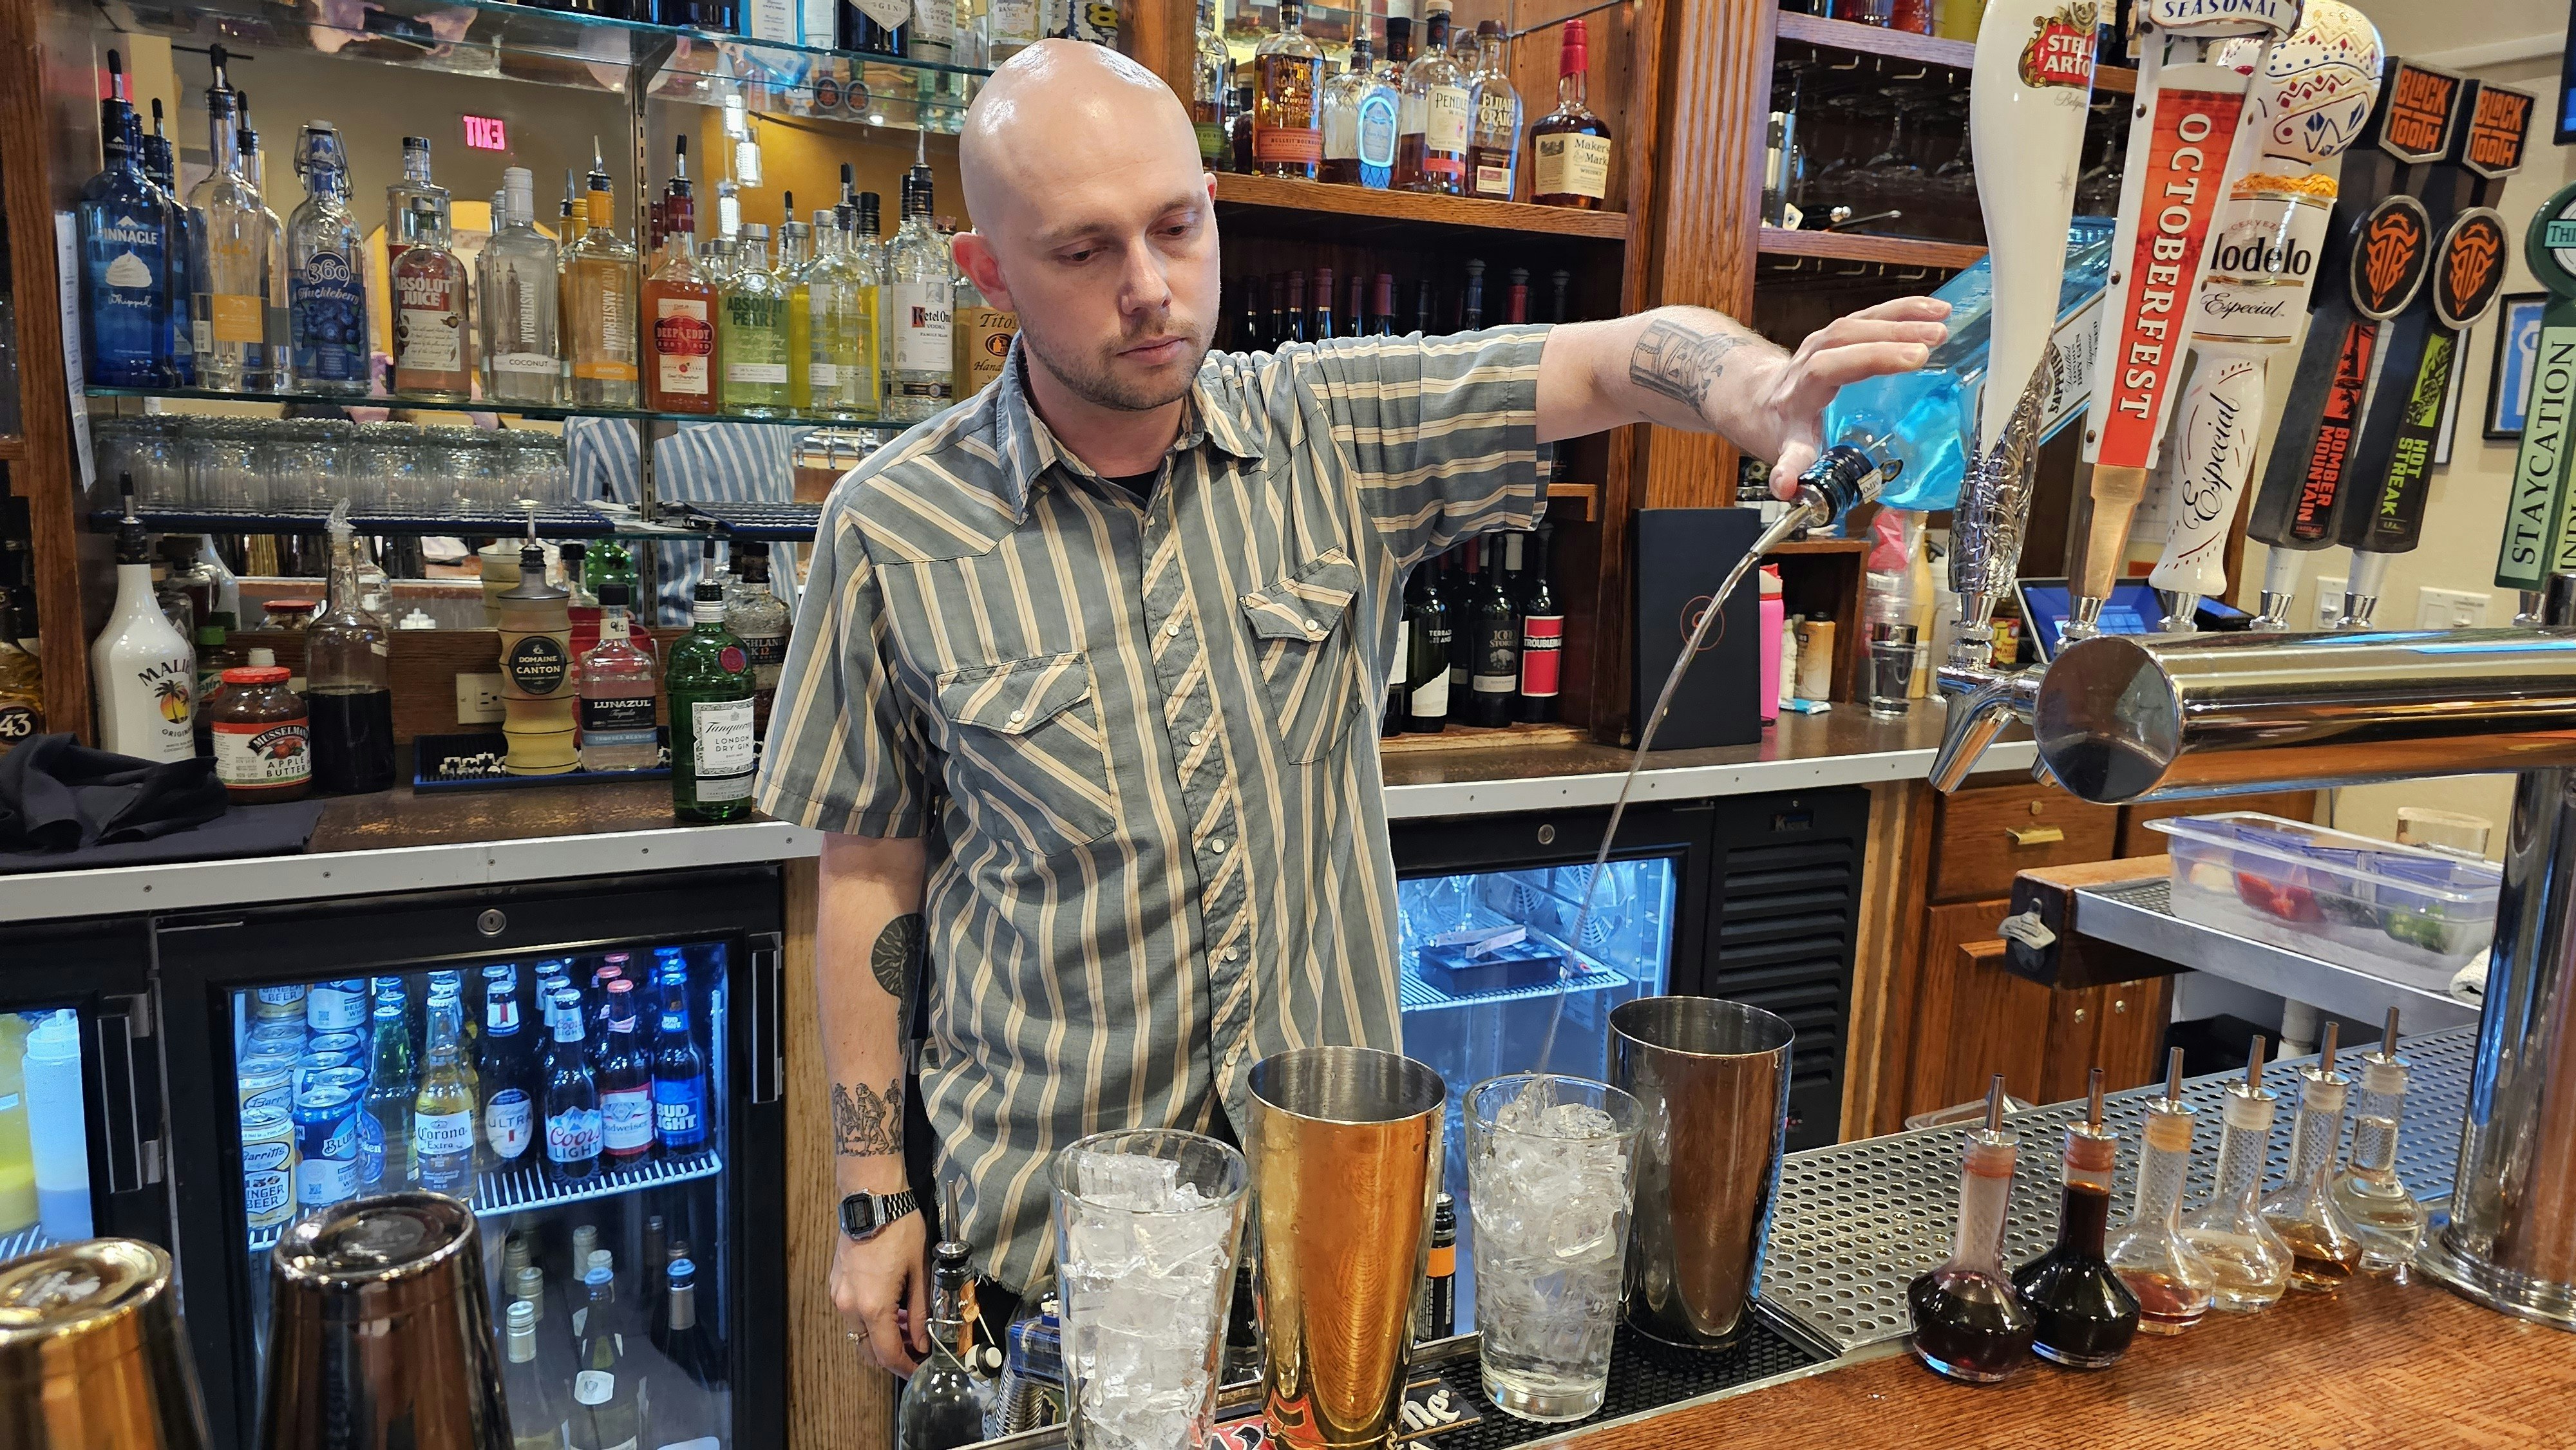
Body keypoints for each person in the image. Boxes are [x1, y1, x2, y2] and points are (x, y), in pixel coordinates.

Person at [752, 40, 1949, 1375]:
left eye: (1174, 226)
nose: (1149, 289)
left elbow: (1611, 358)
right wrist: (872, 1195)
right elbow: (866, 871)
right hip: (1053, 1247)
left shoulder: (1329, 433)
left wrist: (1756, 389)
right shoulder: (893, 526)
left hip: (1329, 1222)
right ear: (987, 274)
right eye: (1084, 252)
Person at [565, 417, 806, 623]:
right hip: (780, 632)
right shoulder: (772, 411)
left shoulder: (593, 425)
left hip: (672, 637)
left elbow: (575, 559)